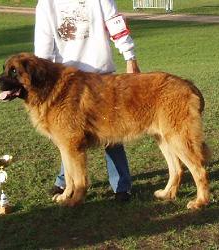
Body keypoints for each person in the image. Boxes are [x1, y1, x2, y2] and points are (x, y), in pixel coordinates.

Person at [34, 0, 140, 202]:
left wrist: (130, 57)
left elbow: (115, 24)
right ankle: (66, 181)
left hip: (101, 76)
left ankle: (121, 185)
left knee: (112, 132)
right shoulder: (46, 3)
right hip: (66, 80)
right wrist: (43, 78)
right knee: (67, 133)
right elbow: (43, 45)